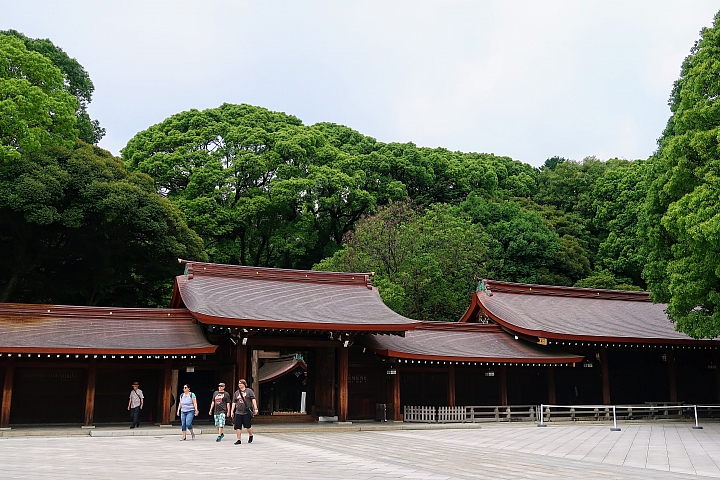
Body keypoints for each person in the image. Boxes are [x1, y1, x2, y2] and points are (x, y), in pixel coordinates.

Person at [230, 379, 258, 445]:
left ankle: (251, 435)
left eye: (241, 383)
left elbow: (253, 400)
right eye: (239, 383)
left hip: (246, 412)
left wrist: (255, 408)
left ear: (244, 384)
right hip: (238, 412)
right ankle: (238, 439)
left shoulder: (249, 391)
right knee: (237, 426)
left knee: (248, 426)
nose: (239, 385)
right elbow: (234, 402)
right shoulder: (236, 392)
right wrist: (232, 411)